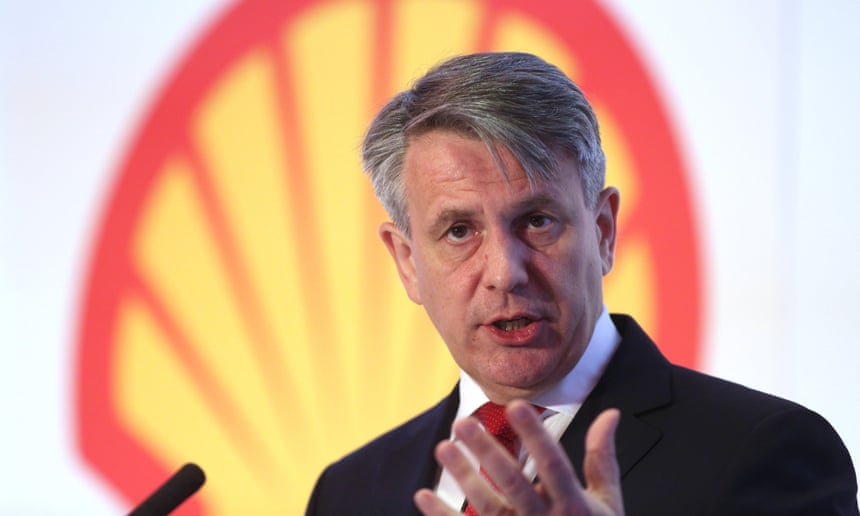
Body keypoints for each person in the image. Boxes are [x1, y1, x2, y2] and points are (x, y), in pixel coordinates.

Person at [305, 52, 858, 515]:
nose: (505, 271)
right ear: (407, 261)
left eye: (537, 221)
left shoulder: (764, 451)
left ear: (603, 229)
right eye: (458, 231)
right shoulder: (349, 493)